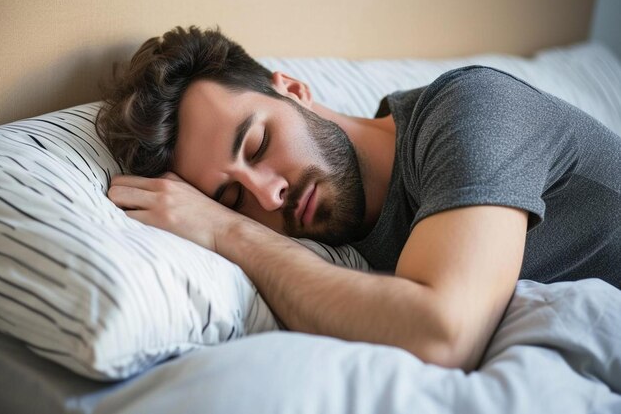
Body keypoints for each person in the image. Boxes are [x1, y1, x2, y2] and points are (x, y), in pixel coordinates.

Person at [97, 26, 621, 371]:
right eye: (231, 197)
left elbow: (443, 335)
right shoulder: (346, 243)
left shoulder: (472, 112)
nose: (269, 193)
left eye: (257, 143)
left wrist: (227, 228)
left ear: (294, 90)